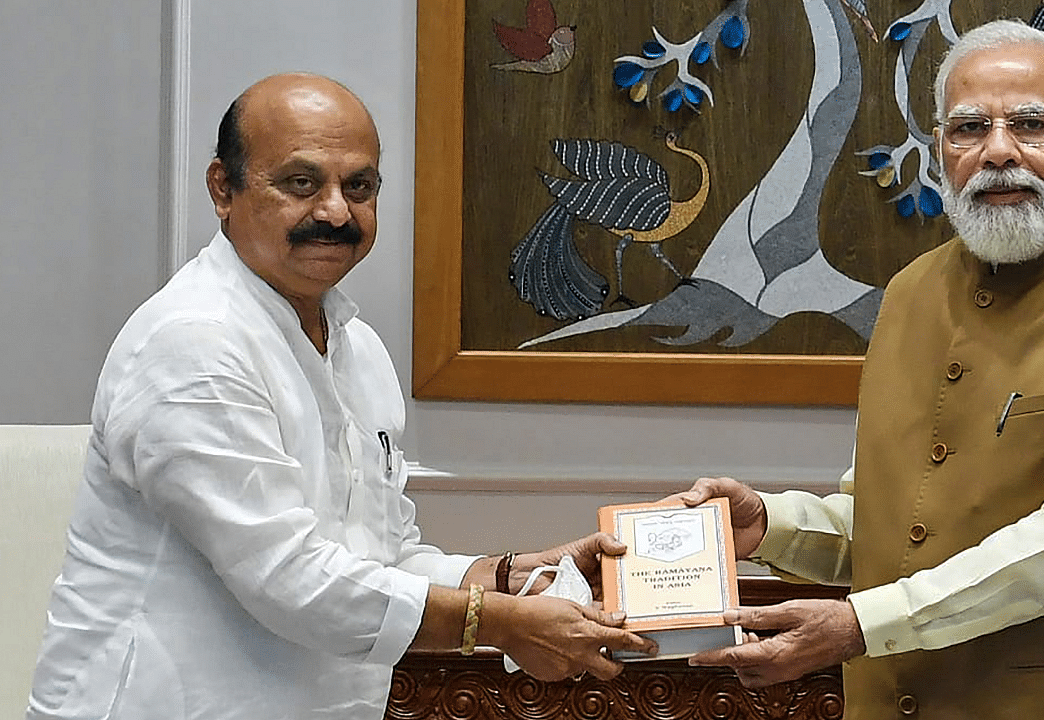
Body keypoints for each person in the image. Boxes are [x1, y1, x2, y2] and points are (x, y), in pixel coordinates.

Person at [25, 72, 654, 720]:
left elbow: (386, 555)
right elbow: (289, 580)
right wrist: (499, 623)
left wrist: (510, 578)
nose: (334, 212)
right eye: (301, 182)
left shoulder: (359, 349)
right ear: (223, 188)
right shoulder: (193, 343)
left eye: (359, 186)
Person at [674, 19, 1044, 719]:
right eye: (969, 129)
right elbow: (898, 525)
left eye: (1031, 125)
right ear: (941, 149)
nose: (998, 152)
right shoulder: (910, 293)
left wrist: (863, 624)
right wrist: (770, 528)